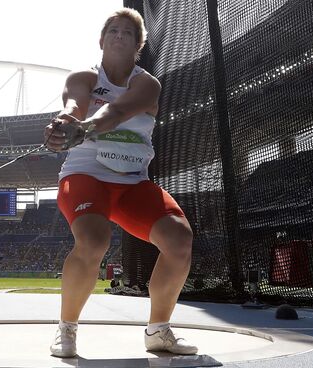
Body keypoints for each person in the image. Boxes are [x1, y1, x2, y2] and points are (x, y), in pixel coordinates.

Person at [44, 8, 197, 357]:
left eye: (127, 32)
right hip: (85, 175)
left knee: (179, 240)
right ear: (101, 40)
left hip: (131, 183)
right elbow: (74, 104)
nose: (118, 35)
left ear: (138, 45)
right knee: (94, 240)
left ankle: (159, 330)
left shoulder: (147, 84)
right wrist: (64, 123)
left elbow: (115, 112)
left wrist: (83, 129)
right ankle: (66, 329)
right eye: (112, 30)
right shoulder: (83, 76)